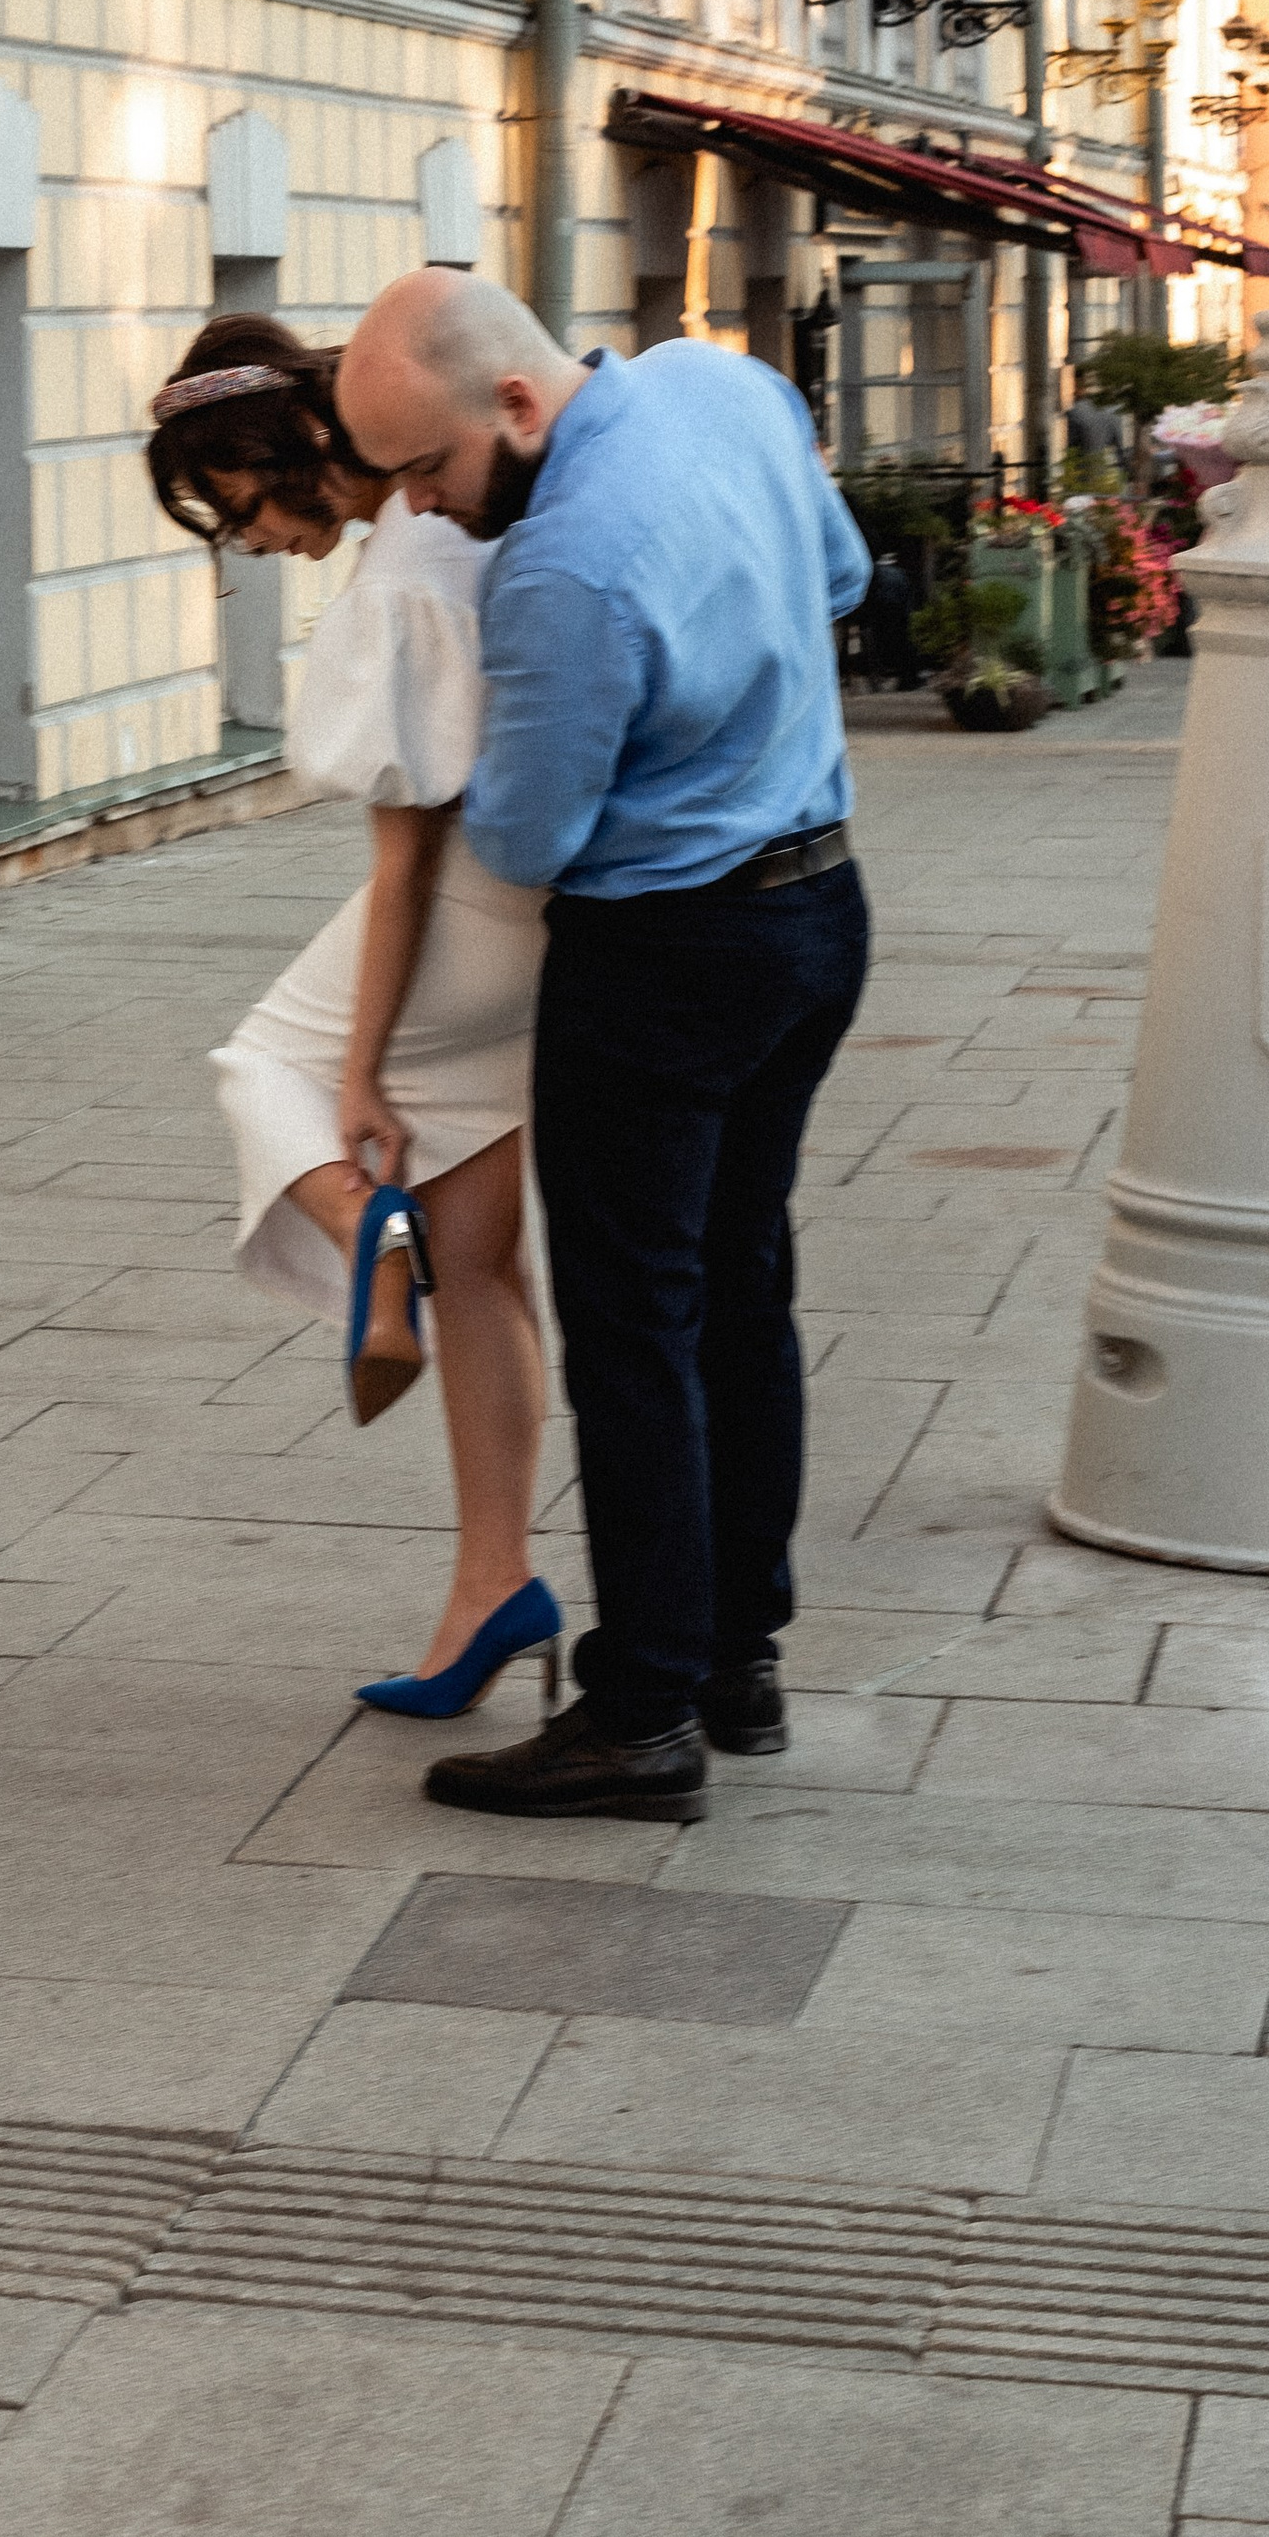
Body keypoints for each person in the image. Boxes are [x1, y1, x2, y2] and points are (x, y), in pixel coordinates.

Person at [336, 271, 872, 1824]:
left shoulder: (562, 565)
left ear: (512, 404)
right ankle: (736, 1661)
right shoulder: (726, 386)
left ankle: (639, 1710)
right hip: (819, 908)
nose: (425, 510)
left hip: (664, 957)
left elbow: (524, 831)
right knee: (742, 1287)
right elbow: (834, 579)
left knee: (635, 1325)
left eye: (428, 472)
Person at [146, 312, 556, 1718]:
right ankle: (491, 1585)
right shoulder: (466, 531)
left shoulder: (405, 570)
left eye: (245, 505)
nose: (249, 542)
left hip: (475, 916)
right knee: (488, 1267)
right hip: (550, 920)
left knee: (265, 1063)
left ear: (303, 450)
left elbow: (406, 860)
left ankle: (361, 1235)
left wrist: (363, 1072)